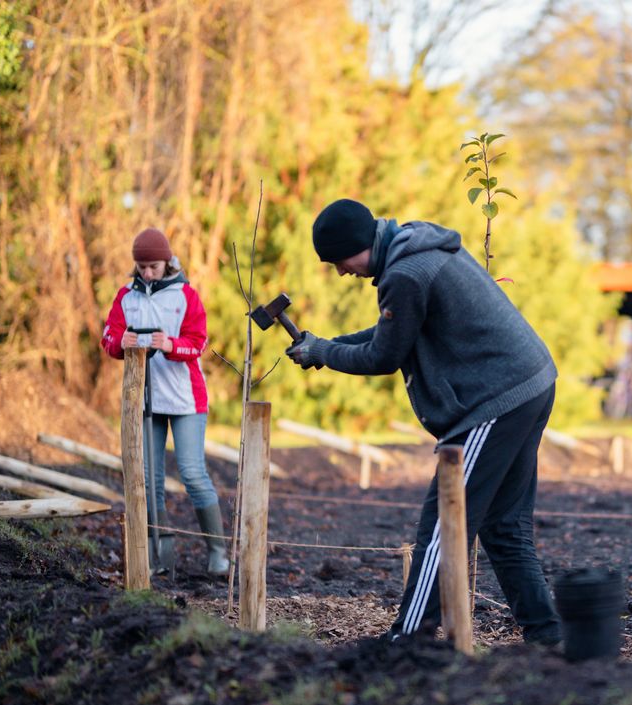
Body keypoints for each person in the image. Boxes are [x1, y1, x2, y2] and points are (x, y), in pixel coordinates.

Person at [286, 199, 562, 646]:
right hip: (530, 383)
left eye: (340, 260)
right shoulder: (417, 247)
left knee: (442, 524)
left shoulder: (404, 275)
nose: (342, 272)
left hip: (495, 399)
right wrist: (326, 345)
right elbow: (393, 332)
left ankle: (409, 638)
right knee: (503, 525)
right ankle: (549, 639)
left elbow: (383, 355)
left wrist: (322, 353)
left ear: (359, 245)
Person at [101, 228, 229, 576]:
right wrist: (121, 341)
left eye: (154, 266)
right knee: (150, 478)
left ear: (167, 261)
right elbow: (109, 336)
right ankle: (161, 555)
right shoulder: (126, 297)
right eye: (141, 266)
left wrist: (171, 345)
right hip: (145, 399)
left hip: (185, 398)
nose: (147, 273)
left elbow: (199, 342)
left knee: (192, 472)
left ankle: (218, 553)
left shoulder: (186, 295)